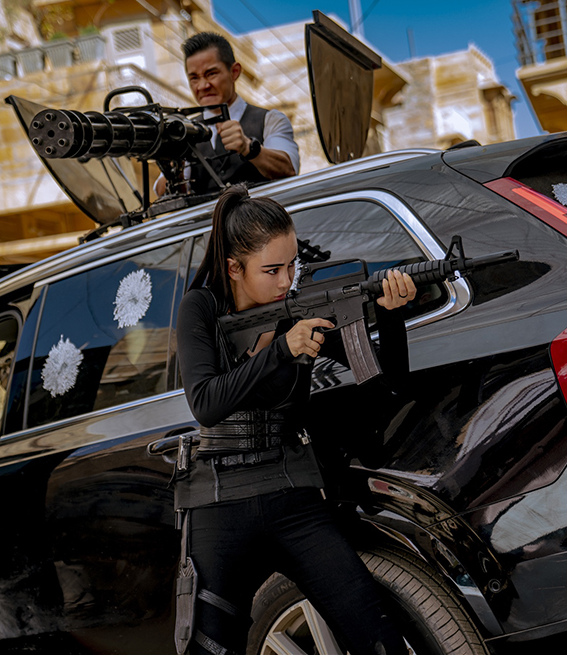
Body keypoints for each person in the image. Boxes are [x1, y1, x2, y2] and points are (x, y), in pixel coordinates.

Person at [174, 185, 415, 655]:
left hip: (292, 492)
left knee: (377, 633)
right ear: (234, 268)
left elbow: (387, 387)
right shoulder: (200, 307)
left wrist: (391, 318)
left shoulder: (297, 310)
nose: (285, 280)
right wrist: (282, 350)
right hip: (219, 499)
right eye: (272, 270)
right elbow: (204, 402)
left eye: (292, 266)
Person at [154, 32, 299, 197]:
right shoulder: (185, 131)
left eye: (211, 74)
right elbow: (162, 192)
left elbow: (289, 169)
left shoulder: (270, 120)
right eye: (194, 78)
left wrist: (248, 147)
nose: (203, 86)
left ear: (234, 72)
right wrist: (173, 167)